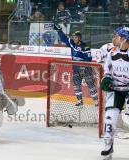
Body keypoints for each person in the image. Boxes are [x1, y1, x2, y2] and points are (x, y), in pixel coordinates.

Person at [100, 27, 129, 159]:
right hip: (115, 90)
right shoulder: (111, 52)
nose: (114, 37)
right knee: (109, 119)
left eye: (117, 36)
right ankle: (108, 146)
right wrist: (106, 79)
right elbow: (107, 70)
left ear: (125, 39)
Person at [53, 24, 99, 107]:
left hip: (85, 69)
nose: (74, 39)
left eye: (76, 37)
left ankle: (96, 101)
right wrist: (59, 30)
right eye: (73, 37)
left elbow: (88, 59)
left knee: (90, 84)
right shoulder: (72, 43)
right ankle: (79, 101)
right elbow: (64, 39)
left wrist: (83, 66)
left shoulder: (85, 46)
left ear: (79, 38)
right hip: (76, 68)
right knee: (76, 85)